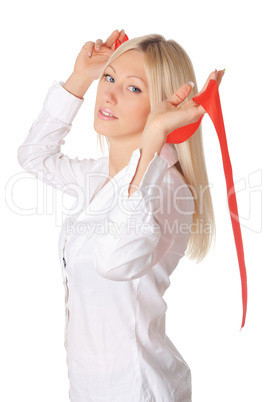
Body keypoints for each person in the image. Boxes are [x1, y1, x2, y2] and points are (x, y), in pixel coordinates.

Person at [17, 29, 224, 402]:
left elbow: (114, 263)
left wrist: (154, 140)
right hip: (89, 386)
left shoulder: (164, 188)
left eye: (133, 88)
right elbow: (34, 157)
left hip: (136, 387)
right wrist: (79, 79)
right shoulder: (101, 175)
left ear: (164, 107)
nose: (108, 94)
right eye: (109, 77)